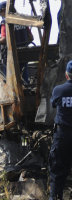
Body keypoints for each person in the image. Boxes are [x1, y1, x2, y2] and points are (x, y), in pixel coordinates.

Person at [0, 1, 34, 82]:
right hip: (24, 54)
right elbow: (31, 37)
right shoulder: (22, 20)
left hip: (11, 57)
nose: (1, 16)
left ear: (4, 10)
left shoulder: (5, 22)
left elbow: (4, 39)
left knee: (10, 81)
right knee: (25, 79)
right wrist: (22, 43)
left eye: (1, 13)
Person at [49, 60, 72, 200]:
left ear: (66, 75)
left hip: (63, 135)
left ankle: (56, 198)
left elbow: (53, 104)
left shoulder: (58, 90)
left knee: (57, 170)